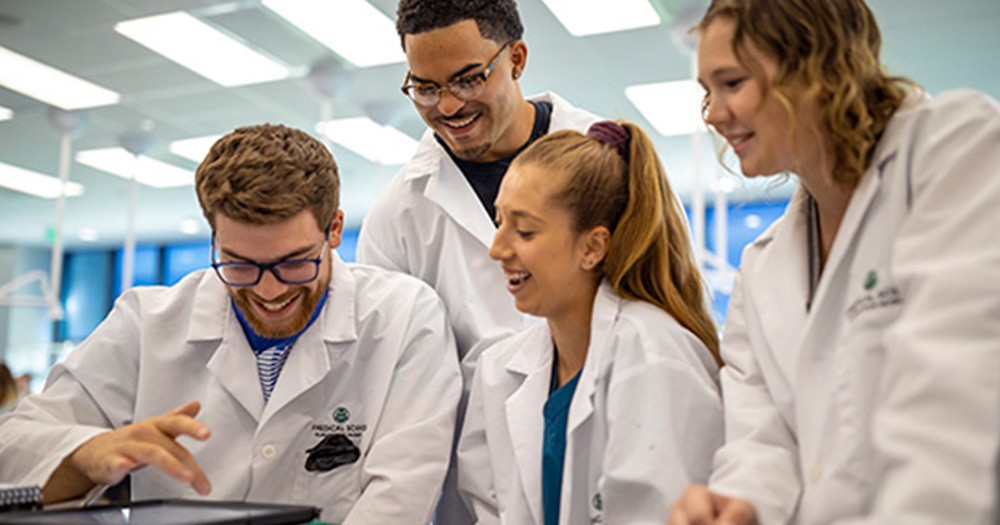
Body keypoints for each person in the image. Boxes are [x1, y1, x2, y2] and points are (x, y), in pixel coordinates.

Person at [0, 124, 462, 524]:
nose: (269, 291)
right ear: (215, 238)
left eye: (293, 263)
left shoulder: (405, 317)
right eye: (239, 264)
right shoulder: (146, 322)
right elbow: (13, 445)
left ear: (334, 230)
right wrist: (87, 454)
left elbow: (402, 495)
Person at [669, 0, 1000, 523]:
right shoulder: (763, 265)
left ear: (815, 66)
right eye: (707, 92)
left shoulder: (952, 149)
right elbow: (764, 434)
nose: (712, 113)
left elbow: (955, 398)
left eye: (731, 83)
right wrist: (740, 503)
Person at [457, 120, 724, 525]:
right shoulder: (499, 371)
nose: (497, 249)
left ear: (593, 247)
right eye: (500, 222)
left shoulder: (655, 356)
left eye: (525, 231)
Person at [358, 0, 600, 378]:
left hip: (614, 415)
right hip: (475, 435)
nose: (449, 106)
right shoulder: (398, 215)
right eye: (425, 87)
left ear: (517, 60)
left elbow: (669, 305)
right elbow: (387, 374)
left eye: (469, 79)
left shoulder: (614, 162)